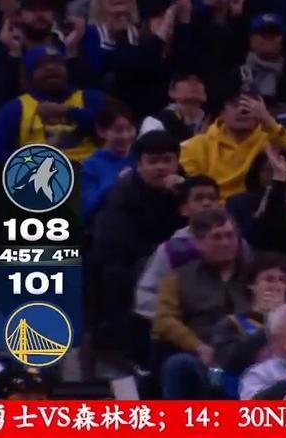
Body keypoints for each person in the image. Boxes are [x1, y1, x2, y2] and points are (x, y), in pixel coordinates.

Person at [91, 131, 185, 353]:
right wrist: (163, 254)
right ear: (139, 165)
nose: (161, 167)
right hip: (133, 261)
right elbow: (117, 243)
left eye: (167, 160)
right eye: (153, 161)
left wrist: (182, 197)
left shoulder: (187, 189)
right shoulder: (123, 193)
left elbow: (203, 230)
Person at [153, 209, 249, 398]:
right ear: (198, 243)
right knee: (179, 365)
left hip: (250, 354)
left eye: (230, 236)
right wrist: (197, 346)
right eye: (217, 237)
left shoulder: (255, 272)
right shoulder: (179, 278)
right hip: (205, 357)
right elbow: (163, 320)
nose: (225, 243)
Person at [133, 176, 232, 321]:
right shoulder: (171, 250)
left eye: (212, 198)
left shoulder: (237, 244)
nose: (206, 203)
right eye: (199, 198)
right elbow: (146, 295)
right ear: (184, 209)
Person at [0, 48, 106, 168]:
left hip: (93, 171)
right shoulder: (14, 108)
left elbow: (106, 124)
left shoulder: (90, 97)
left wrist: (66, 111)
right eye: (40, 64)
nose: (51, 68)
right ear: (29, 74)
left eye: (57, 62)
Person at [180, 93, 286, 201]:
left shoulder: (272, 141)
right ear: (222, 113)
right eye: (235, 105)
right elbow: (194, 189)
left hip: (259, 207)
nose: (242, 110)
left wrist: (267, 120)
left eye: (249, 106)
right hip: (213, 211)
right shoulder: (194, 146)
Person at [211, 253, 286, 397]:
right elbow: (230, 363)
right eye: (269, 279)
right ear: (252, 285)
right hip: (250, 393)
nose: (277, 286)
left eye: (282, 280)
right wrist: (270, 323)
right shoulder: (230, 323)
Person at [81, 100, 137, 222]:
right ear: (101, 131)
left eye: (129, 129)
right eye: (118, 130)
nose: (125, 136)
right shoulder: (91, 166)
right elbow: (86, 211)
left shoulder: (140, 158)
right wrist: (117, 183)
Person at [140, 73, 211, 144]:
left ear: (205, 94)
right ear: (171, 92)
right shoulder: (156, 121)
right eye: (185, 79)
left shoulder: (213, 123)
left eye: (199, 81)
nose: (193, 83)